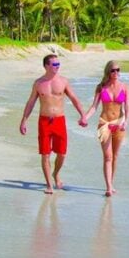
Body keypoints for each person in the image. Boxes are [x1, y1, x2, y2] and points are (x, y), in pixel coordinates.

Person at [20, 54, 87, 194]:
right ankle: (49, 185)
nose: (57, 67)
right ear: (46, 66)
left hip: (59, 121)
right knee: (45, 154)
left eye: (58, 64)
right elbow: (31, 102)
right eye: (54, 64)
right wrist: (24, 120)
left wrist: (83, 115)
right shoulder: (38, 83)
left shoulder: (63, 81)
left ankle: (56, 173)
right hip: (44, 121)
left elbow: (74, 98)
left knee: (62, 153)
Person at [82, 60, 129, 197]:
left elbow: (127, 107)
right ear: (108, 72)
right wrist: (85, 118)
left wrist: (126, 122)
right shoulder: (101, 87)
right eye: (113, 70)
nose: (116, 73)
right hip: (104, 123)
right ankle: (108, 187)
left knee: (115, 156)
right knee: (108, 156)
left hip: (119, 123)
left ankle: (111, 182)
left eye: (118, 70)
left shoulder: (125, 87)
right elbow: (94, 107)